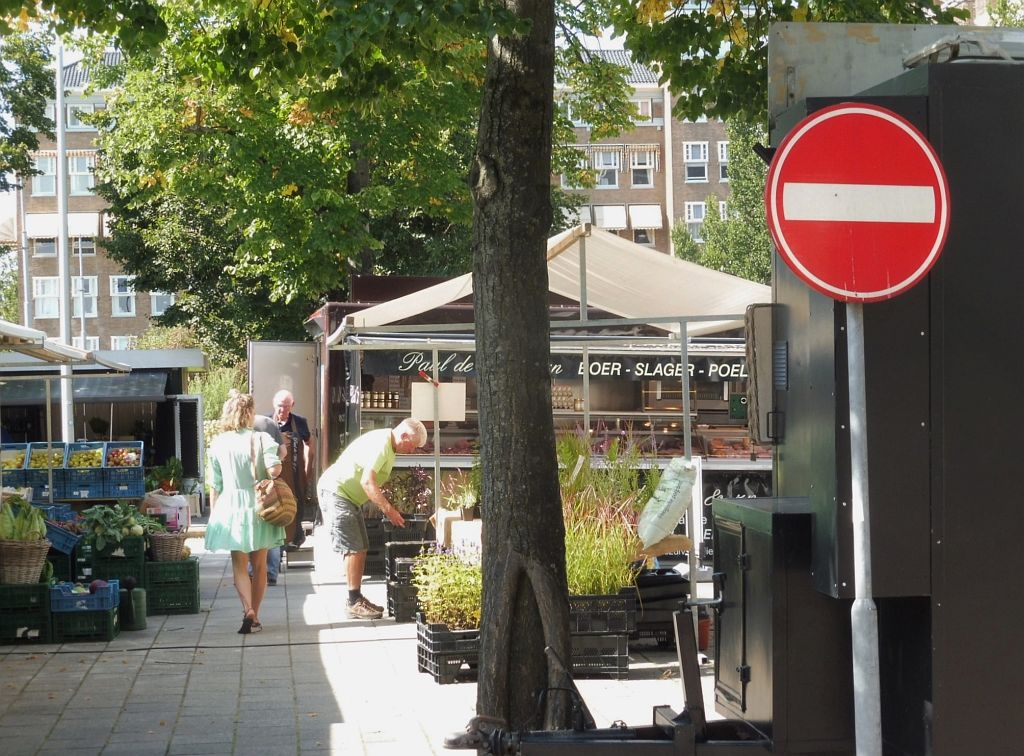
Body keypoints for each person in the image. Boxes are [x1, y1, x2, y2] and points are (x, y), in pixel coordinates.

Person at [318, 418, 428, 619]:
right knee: (354, 547)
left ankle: (356, 597)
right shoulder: (381, 444)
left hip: (348, 497)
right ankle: (353, 601)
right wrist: (389, 510)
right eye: (412, 446)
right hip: (337, 492)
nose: (412, 451)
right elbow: (367, 482)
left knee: (361, 546)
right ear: (404, 436)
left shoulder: (389, 445)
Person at [204, 390, 286, 634]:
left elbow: (215, 485)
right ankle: (257, 615)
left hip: (230, 506)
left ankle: (246, 608)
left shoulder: (218, 443)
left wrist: (213, 515)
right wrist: (274, 466)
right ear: (250, 413)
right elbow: (274, 470)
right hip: (259, 505)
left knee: (239, 565)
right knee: (259, 565)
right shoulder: (261, 440)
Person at [271, 390, 314, 549]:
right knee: (275, 508)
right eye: (280, 406)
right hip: (273, 477)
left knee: (295, 506)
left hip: (295, 476)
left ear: (292, 405)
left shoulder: (300, 422)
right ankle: (275, 543)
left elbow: (311, 446)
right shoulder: (267, 422)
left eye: (287, 407)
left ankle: (293, 539)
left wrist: (308, 471)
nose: (282, 410)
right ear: (274, 404)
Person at [253, 413, 287, 585]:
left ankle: (252, 572)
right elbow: (283, 451)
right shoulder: (268, 423)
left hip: (248, 489)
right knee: (272, 527)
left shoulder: (235, 432)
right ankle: (271, 574)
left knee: (252, 531)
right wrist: (274, 464)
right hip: (268, 485)